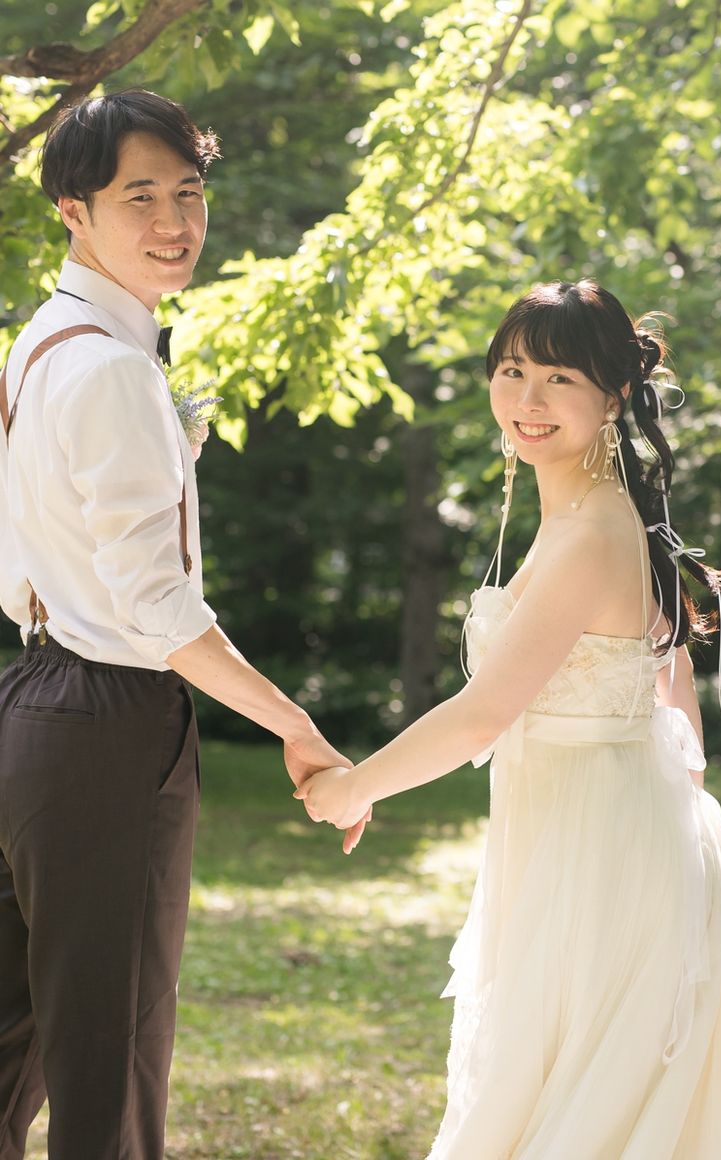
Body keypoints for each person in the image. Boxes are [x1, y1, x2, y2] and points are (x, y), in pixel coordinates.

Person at [298, 279, 721, 1159]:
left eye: (559, 378)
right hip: (588, 833)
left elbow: (484, 714)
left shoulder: (594, 531)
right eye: (512, 371)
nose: (528, 399)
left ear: (615, 395)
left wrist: (352, 789)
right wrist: (689, 815)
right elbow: (670, 670)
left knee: (589, 1101)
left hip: (598, 847)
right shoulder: (591, 515)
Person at [0, 89, 365, 1160]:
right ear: (74, 210)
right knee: (110, 1059)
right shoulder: (111, 367)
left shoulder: (41, 341)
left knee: (16, 1040)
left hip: (31, 701)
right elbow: (160, 609)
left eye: (190, 193)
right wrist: (295, 722)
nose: (175, 223)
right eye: (141, 197)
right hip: (107, 723)